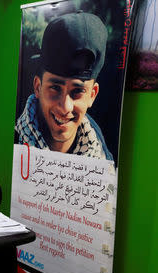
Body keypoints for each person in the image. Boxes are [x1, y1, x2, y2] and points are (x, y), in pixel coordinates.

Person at [15, 12, 113, 161]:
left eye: (78, 91)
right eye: (55, 88)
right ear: (37, 87)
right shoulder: (11, 141)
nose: (65, 107)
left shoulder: (104, 159)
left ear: (92, 95)